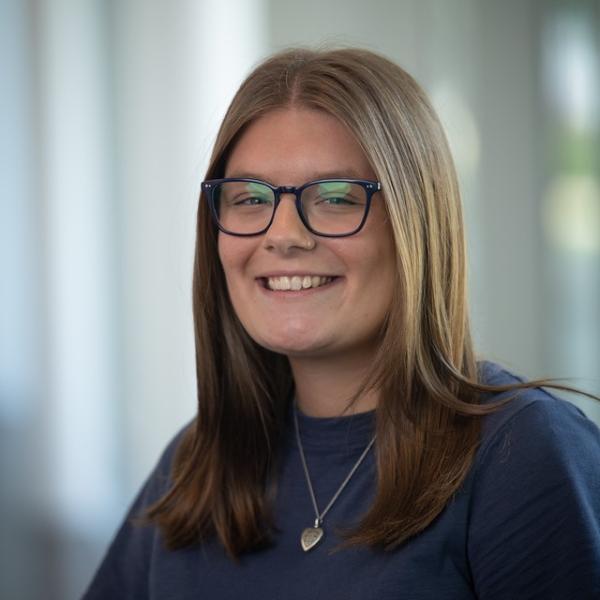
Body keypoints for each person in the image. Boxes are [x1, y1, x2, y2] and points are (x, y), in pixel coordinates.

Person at [83, 47, 600, 599]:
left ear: (413, 224)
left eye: (333, 198)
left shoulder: (523, 452)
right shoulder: (195, 464)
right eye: (249, 198)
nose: (282, 234)